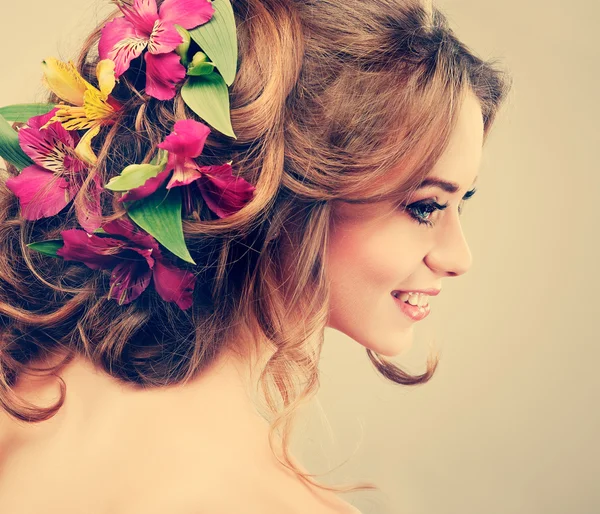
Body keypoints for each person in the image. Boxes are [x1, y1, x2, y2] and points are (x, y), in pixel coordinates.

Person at [0, 0, 511, 512]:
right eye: (425, 207)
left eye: (460, 205)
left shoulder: (21, 390)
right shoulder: (274, 502)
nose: (458, 257)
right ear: (281, 190)